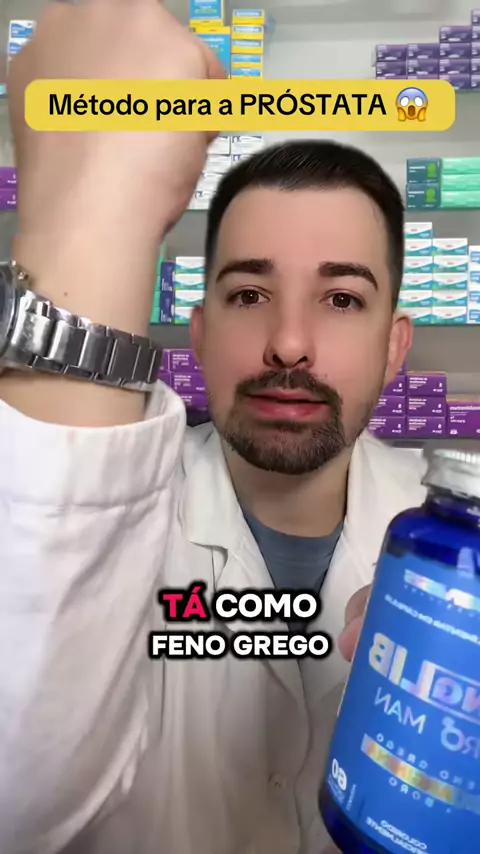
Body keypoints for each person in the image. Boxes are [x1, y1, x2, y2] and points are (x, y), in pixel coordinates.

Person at [0, 2, 427, 853]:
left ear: (394, 346)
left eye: (342, 299)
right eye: (249, 293)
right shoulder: (103, 516)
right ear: (196, 335)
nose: (290, 344)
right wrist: (92, 207)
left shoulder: (453, 544)